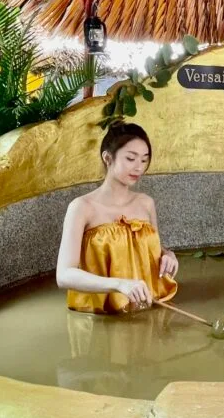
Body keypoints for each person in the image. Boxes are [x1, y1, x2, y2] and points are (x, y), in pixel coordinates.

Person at [56, 122, 179, 314]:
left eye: (144, 160)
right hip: (101, 317)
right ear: (107, 158)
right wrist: (119, 284)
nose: (139, 167)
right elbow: (64, 275)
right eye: (131, 158)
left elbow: (150, 250)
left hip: (150, 307)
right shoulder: (81, 208)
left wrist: (167, 255)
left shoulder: (146, 203)